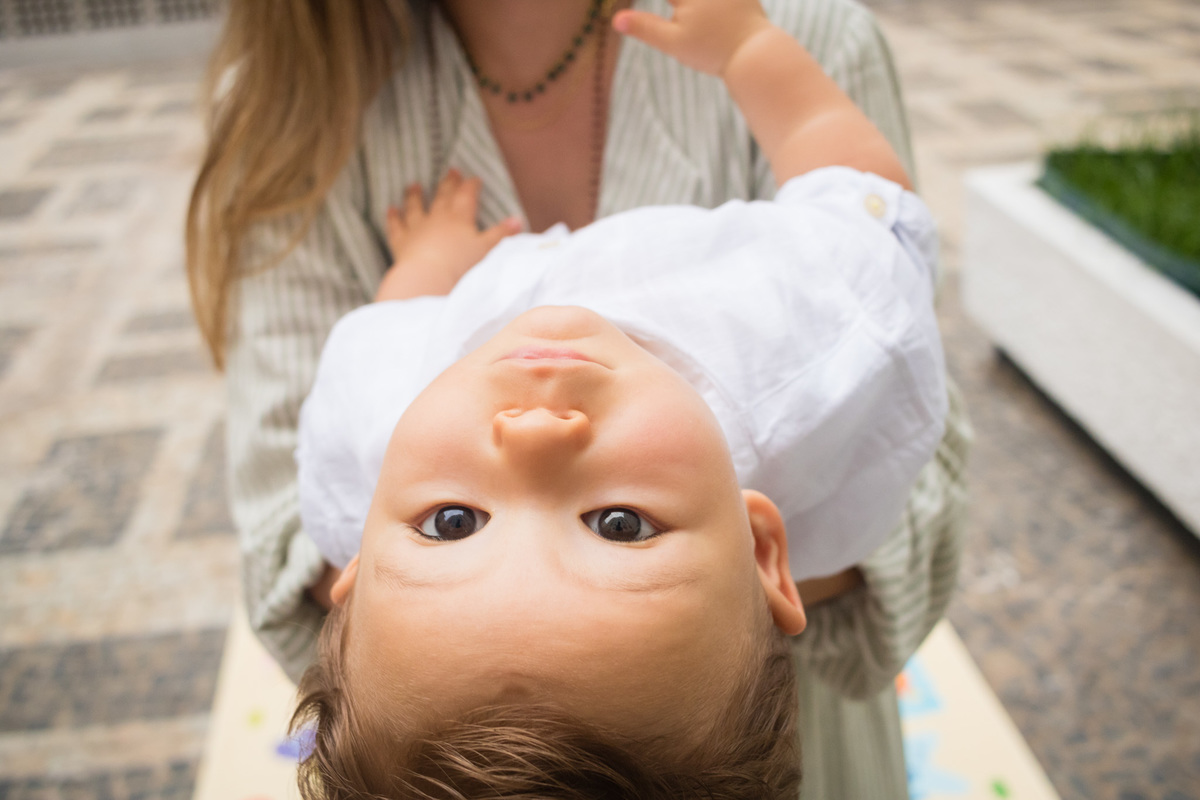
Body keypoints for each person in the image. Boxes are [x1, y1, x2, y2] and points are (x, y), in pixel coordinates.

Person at [186, 0, 971, 796]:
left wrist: (425, 268)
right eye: (620, 525)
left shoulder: (372, 444)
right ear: (763, 549)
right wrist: (753, 58)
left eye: (455, 522)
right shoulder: (793, 377)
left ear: (357, 566)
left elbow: (375, 359)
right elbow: (870, 218)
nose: (534, 432)